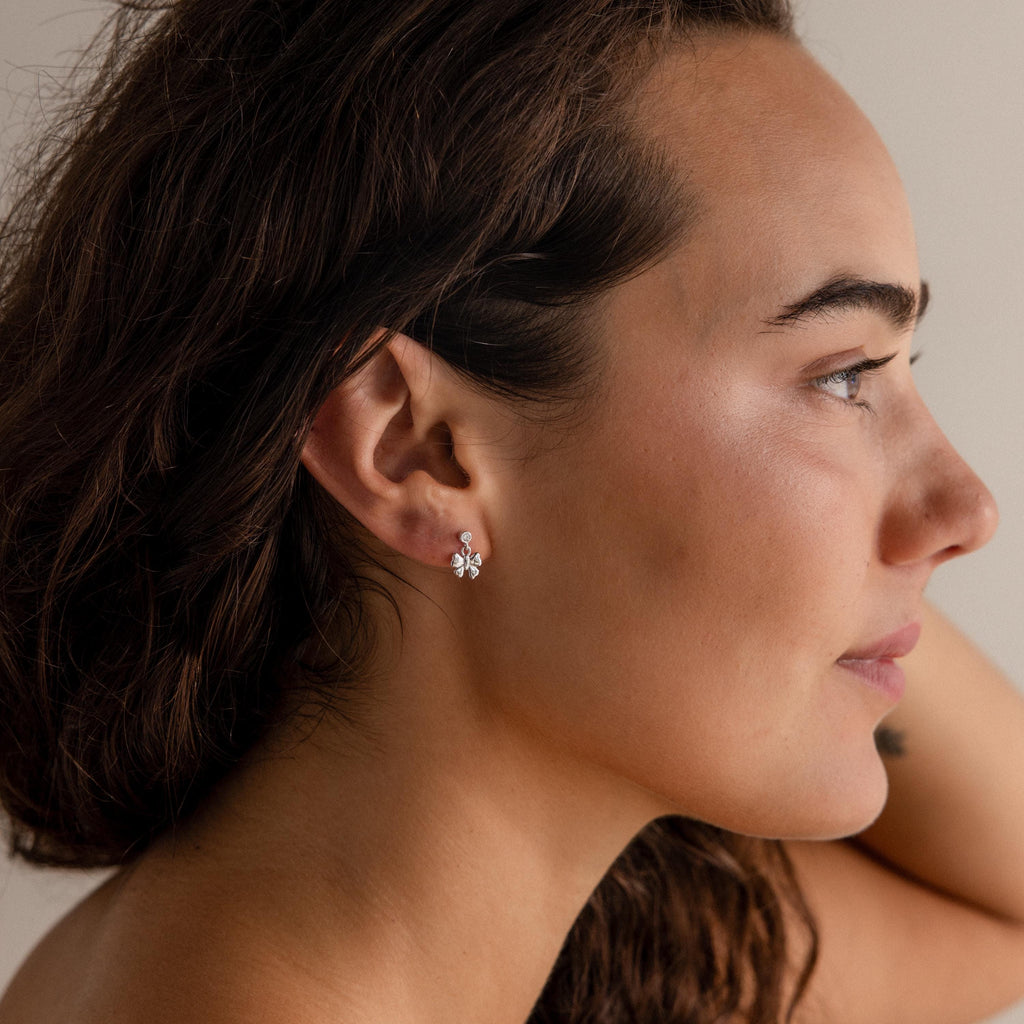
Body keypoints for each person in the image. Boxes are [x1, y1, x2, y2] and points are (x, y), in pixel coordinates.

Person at [0, 1, 1022, 1022]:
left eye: (900, 366)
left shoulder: (592, 957)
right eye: (843, 375)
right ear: (414, 446)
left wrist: (836, 591)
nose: (968, 510)